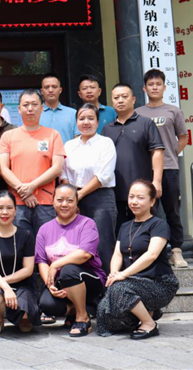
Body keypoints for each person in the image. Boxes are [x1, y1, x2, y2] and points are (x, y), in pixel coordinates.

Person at [96, 180, 180, 338]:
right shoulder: (125, 226)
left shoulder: (159, 224)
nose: (134, 201)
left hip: (158, 282)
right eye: (131, 196)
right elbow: (117, 254)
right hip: (132, 282)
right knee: (103, 315)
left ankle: (149, 323)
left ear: (152, 201)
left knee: (119, 289)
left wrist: (123, 274)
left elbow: (151, 255)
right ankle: (148, 311)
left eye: (140, 198)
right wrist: (114, 273)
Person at [35, 184, 106, 336]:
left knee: (68, 270)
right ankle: (76, 310)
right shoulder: (44, 229)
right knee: (47, 305)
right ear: (53, 201)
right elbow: (41, 261)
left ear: (76, 202)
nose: (64, 204)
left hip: (89, 280)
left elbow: (85, 254)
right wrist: (50, 284)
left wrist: (56, 264)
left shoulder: (87, 224)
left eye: (69, 200)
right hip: (61, 282)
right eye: (60, 200)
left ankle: (82, 317)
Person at [135, 69, 189, 268]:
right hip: (145, 170)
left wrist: (171, 154)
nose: (155, 87)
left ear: (164, 87)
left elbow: (182, 138)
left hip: (169, 168)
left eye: (158, 84)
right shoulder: (138, 113)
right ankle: (152, 251)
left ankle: (176, 251)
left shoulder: (173, 111)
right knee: (148, 211)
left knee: (172, 210)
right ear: (144, 88)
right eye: (151, 84)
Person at [0, 89, 65, 235]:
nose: (30, 108)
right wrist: (25, 193)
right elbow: (3, 168)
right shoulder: (8, 136)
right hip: (16, 203)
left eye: (34, 104)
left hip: (46, 202)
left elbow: (57, 168)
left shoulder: (53, 135)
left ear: (42, 108)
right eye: (26, 105)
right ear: (19, 109)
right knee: (20, 245)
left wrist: (31, 186)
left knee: (47, 244)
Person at [60, 104, 117, 273]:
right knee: (76, 243)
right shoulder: (69, 145)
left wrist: (78, 195)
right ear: (76, 122)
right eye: (82, 118)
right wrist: (72, 198)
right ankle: (83, 283)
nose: (86, 122)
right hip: (73, 198)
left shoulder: (105, 143)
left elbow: (104, 175)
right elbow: (63, 174)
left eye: (91, 118)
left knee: (102, 242)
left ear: (98, 122)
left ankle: (106, 283)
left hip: (100, 197)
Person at [102, 83, 164, 231]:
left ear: (133, 99)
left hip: (142, 191)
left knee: (145, 229)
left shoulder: (146, 123)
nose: (120, 100)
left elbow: (157, 152)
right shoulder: (107, 129)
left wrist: (157, 181)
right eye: (116, 97)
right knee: (120, 230)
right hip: (115, 191)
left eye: (125, 96)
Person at [0, 190, 39, 336]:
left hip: (22, 284)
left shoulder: (26, 235)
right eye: (0, 208)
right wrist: (5, 287)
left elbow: (28, 269)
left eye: (9, 208)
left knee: (25, 321)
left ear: (15, 210)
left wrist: (3, 281)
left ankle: (22, 316)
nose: (4, 212)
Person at [39, 73, 79, 144]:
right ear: (42, 91)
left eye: (54, 87)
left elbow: (78, 139)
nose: (50, 90)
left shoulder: (73, 113)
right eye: (47, 87)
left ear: (60, 90)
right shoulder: (35, 113)